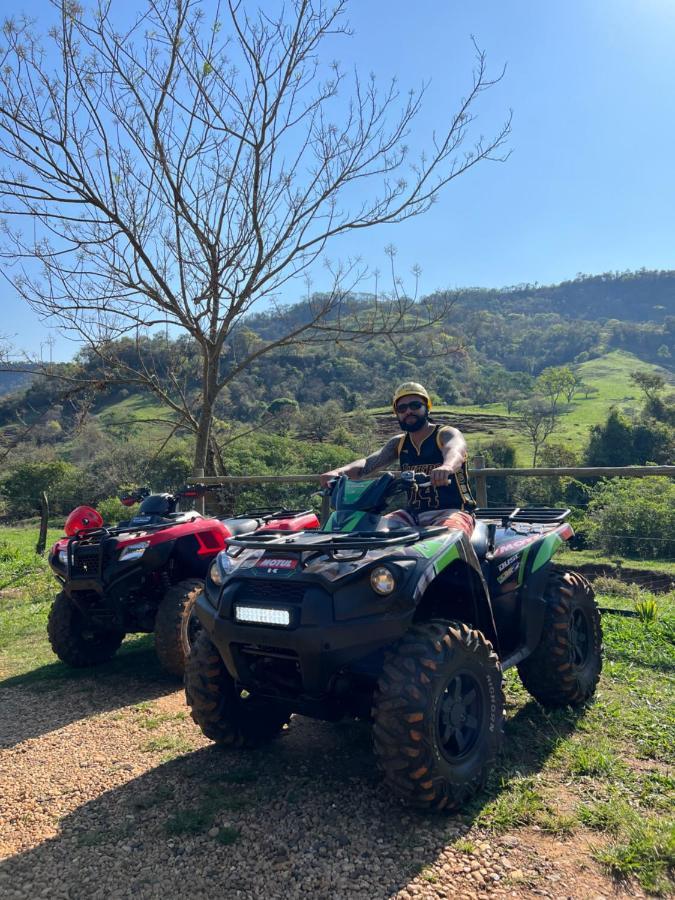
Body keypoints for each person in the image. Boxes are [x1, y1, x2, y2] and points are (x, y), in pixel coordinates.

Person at [320, 382, 475, 536]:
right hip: (412, 515)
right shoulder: (399, 443)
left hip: (454, 511)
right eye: (402, 408)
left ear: (427, 407)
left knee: (448, 538)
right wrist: (339, 472)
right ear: (397, 413)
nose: (408, 411)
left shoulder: (445, 433)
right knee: (370, 531)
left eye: (415, 405)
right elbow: (368, 464)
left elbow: (456, 451)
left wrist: (447, 467)